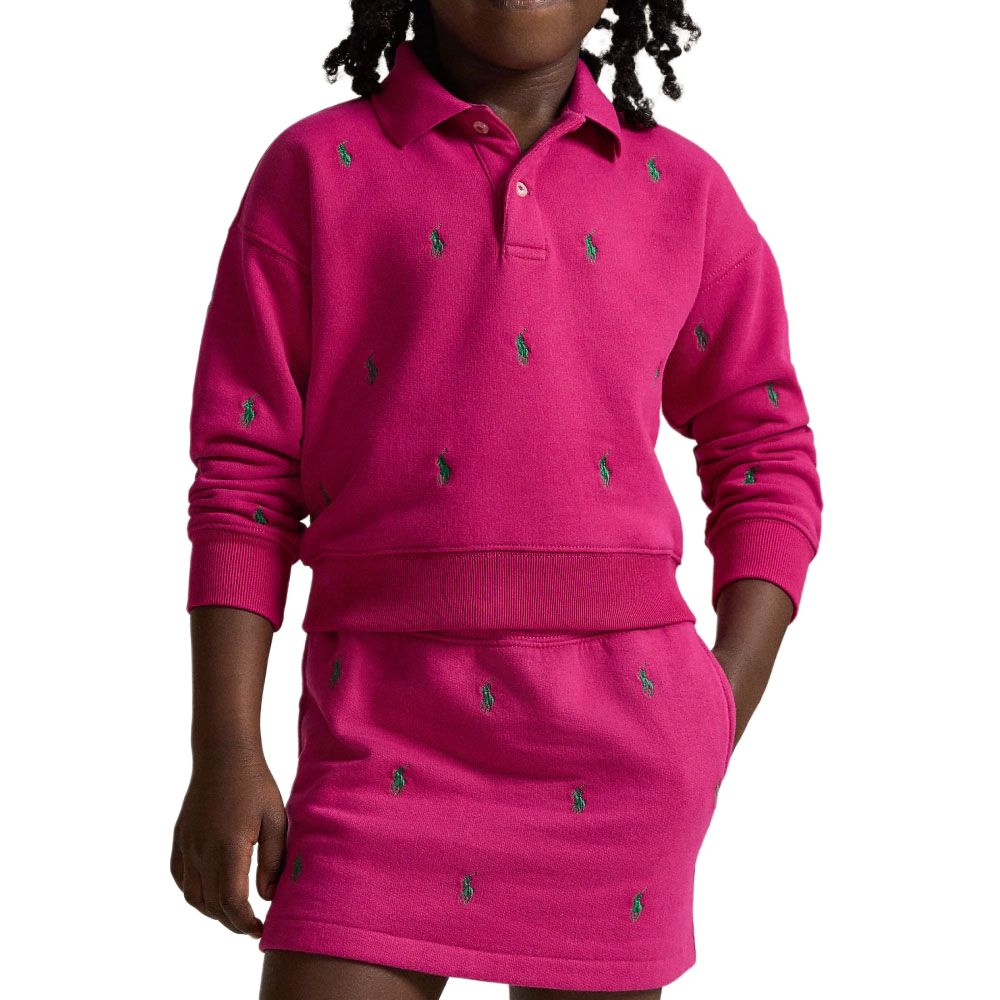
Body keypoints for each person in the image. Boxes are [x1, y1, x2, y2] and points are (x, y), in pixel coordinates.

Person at [170, 2, 823, 997]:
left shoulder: (684, 190)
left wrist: (717, 703)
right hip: (376, 739)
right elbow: (246, 476)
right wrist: (224, 749)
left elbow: (764, 445)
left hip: (624, 754)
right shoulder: (314, 171)